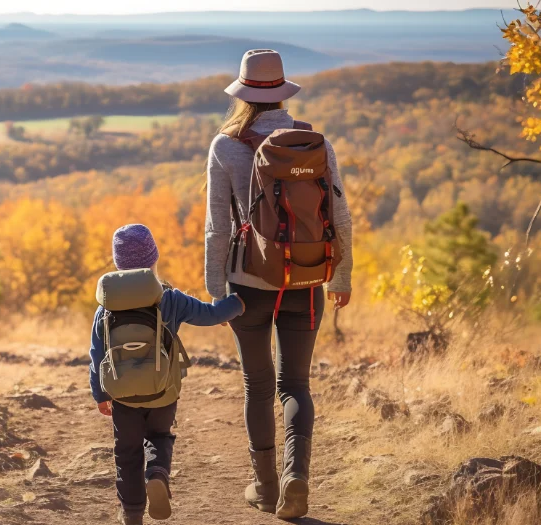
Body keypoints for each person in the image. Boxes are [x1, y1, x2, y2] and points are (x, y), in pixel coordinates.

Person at [204, 49, 354, 519]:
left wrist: (216, 291)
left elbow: (217, 227)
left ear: (243, 95)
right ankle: (297, 476)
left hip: (248, 283)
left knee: (257, 384)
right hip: (307, 278)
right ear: (284, 92)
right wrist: (341, 275)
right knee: (296, 385)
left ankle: (266, 490)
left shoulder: (225, 145)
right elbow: (340, 214)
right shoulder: (313, 142)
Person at [90, 224, 246, 525]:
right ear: (153, 258)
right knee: (160, 436)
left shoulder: (105, 306)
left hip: (122, 395)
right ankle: (157, 473)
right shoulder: (170, 298)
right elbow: (211, 315)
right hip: (163, 391)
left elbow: (96, 354)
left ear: (117, 262)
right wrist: (236, 302)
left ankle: (132, 513)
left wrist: (99, 394)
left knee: (126, 452)